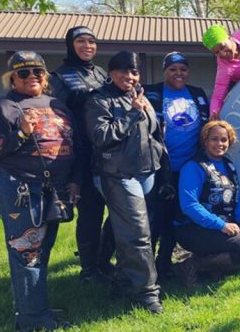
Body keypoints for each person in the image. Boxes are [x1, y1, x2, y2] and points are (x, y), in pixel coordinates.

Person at [0, 51, 79, 331]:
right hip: (20, 186)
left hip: (54, 189)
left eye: (37, 72)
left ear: (45, 77)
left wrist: (73, 180)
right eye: (23, 73)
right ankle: (31, 320)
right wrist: (20, 133)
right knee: (27, 252)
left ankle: (33, 307)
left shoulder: (57, 104)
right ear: (12, 78)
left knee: (42, 251)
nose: (31, 77)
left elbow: (73, 142)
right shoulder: (1, 107)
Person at [85, 51, 167, 313]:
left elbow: (155, 135)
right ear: (110, 73)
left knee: (134, 232)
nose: (129, 76)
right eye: (122, 71)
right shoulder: (99, 100)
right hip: (118, 175)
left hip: (147, 172)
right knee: (138, 235)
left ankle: (122, 282)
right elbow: (101, 136)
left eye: (133, 72)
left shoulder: (141, 97)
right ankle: (147, 294)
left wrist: (164, 170)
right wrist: (132, 114)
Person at [49, 26, 114, 282]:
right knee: (90, 213)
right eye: (81, 41)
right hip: (81, 155)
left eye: (91, 41)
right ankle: (89, 269)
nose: (87, 46)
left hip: (109, 151)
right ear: (70, 45)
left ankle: (103, 259)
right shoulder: (59, 77)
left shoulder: (101, 73)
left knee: (119, 211)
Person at [173, 120, 240, 287]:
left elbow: (237, 194)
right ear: (205, 140)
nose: (219, 144)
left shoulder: (227, 164)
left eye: (224, 140)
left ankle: (214, 265)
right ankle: (190, 266)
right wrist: (220, 225)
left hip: (224, 223)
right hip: (194, 229)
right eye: (214, 139)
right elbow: (189, 205)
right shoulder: (193, 167)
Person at [143, 52, 209, 278]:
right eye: (173, 69)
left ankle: (165, 263)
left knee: (177, 217)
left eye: (183, 69)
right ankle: (146, 268)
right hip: (159, 167)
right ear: (165, 71)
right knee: (155, 217)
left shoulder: (197, 94)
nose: (178, 73)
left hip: (189, 167)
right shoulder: (151, 92)